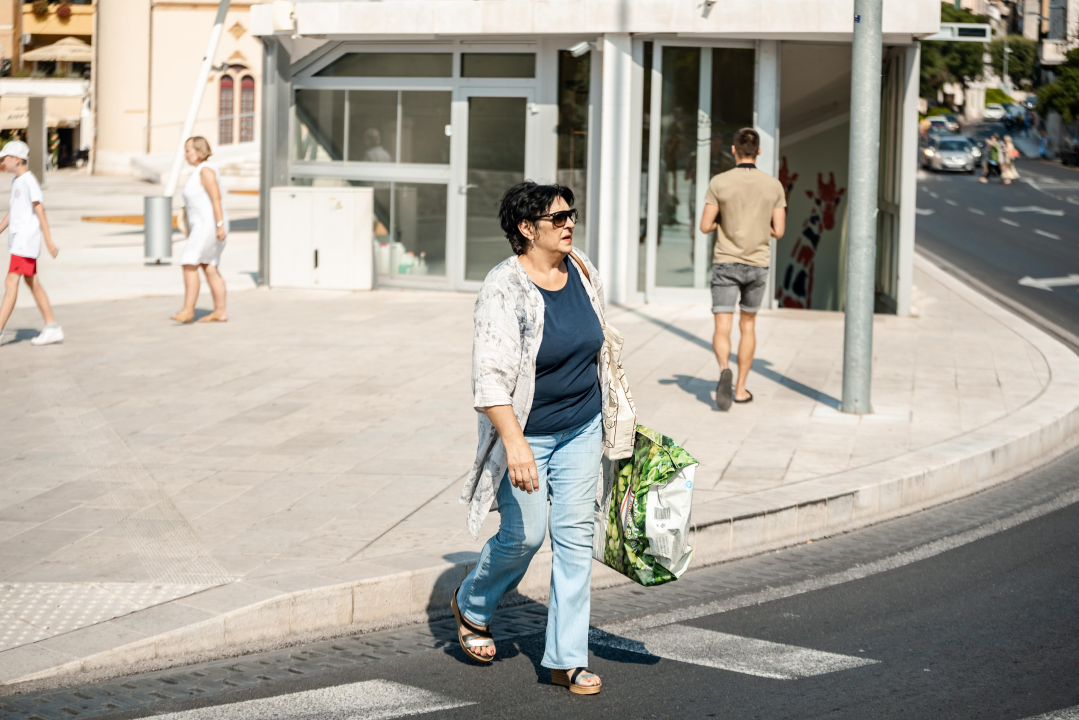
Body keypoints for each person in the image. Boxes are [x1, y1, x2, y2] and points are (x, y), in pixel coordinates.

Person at [456, 181, 607, 695]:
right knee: (525, 535)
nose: (569, 224)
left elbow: (599, 345)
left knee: (574, 542)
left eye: (572, 215)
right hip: (528, 434)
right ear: (526, 229)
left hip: (582, 424)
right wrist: (516, 444)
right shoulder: (504, 288)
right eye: (558, 218)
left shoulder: (581, 268)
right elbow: (490, 379)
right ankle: (472, 605)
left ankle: (567, 658)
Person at [698, 128, 786, 411]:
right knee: (747, 325)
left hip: (726, 261)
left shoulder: (720, 182)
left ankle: (725, 367)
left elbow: (705, 226)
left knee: (722, 326)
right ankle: (740, 389)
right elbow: (779, 231)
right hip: (757, 264)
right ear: (758, 151)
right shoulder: (773, 186)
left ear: (734, 150)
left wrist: (724, 219)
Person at [0, 140, 63, 347]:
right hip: (19, 242)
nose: (2, 162)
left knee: (11, 283)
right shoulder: (17, 182)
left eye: (5, 158)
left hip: (25, 242)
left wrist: (48, 241)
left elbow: (40, 210)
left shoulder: (29, 181)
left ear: (16, 160)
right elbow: (14, 211)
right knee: (32, 282)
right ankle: (52, 327)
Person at [170, 137, 229, 323]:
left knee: (189, 263)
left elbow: (216, 199)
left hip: (208, 225)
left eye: (189, 150)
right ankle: (220, 311)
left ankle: (188, 310)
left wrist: (220, 226)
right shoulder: (200, 171)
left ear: (199, 150)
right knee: (209, 265)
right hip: (204, 225)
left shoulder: (205, 171)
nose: (186, 154)